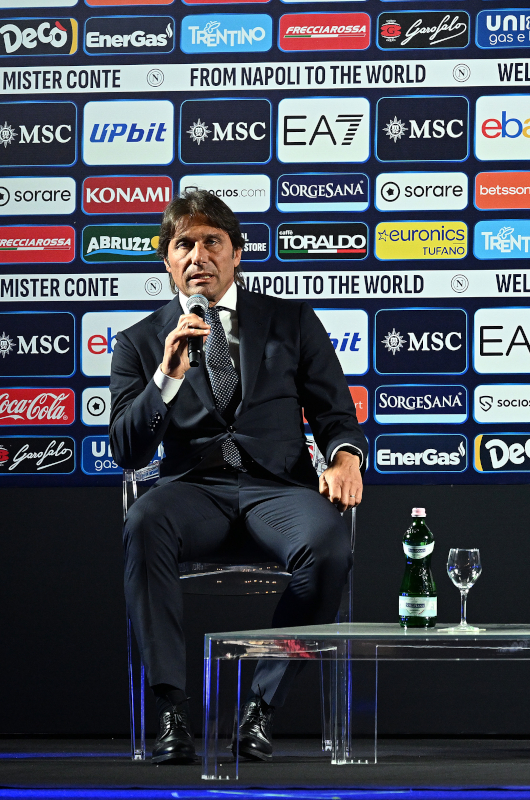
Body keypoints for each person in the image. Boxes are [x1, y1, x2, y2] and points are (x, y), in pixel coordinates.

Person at [111, 190, 368, 765]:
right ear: (167, 260)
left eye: (212, 242)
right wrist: (166, 378)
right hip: (193, 494)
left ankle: (261, 709)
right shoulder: (139, 341)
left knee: (328, 543)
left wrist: (346, 456)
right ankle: (173, 711)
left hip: (277, 492)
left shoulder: (291, 319)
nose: (198, 254)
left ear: (237, 253)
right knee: (144, 519)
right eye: (184, 244)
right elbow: (128, 451)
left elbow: (335, 413)